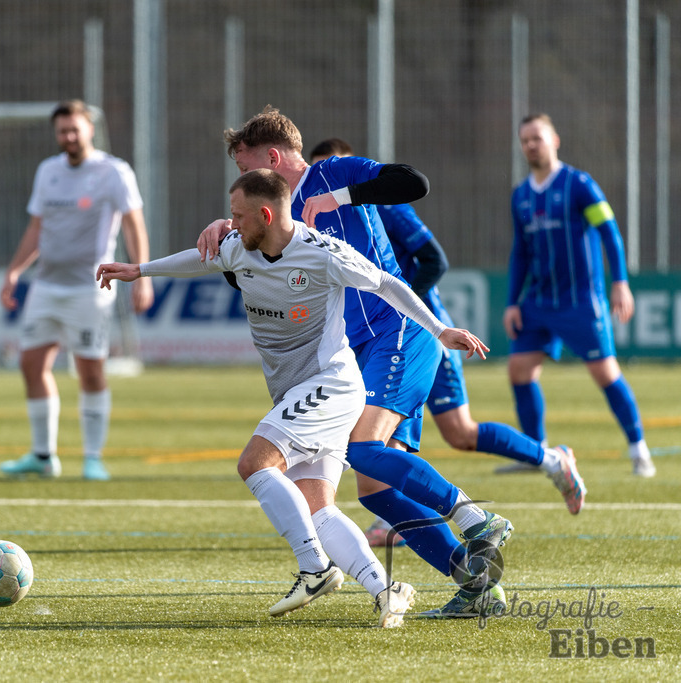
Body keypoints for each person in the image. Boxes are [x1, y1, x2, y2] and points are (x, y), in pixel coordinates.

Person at [99, 169, 492, 626]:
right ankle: (385, 591)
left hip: (332, 384)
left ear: (266, 215)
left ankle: (315, 568)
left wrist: (439, 330)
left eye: (238, 216)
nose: (230, 224)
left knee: (254, 463)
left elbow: (386, 283)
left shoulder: (322, 253)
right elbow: (200, 260)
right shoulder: (239, 247)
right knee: (317, 507)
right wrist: (139, 270)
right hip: (297, 391)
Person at [198, 107, 510, 618]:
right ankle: (476, 584)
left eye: (245, 166)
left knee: (364, 450)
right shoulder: (280, 219)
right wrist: (224, 229)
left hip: (399, 331)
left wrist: (340, 196)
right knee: (375, 490)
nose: (243, 179)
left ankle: (478, 519)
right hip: (361, 352)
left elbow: (414, 183)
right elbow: (249, 269)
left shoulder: (331, 173)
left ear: (272, 158)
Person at [308, 138, 587, 549]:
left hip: (420, 331)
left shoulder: (383, 204)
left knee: (449, 433)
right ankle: (412, 524)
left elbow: (434, 260)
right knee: (403, 434)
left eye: (333, 169)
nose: (324, 181)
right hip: (385, 339)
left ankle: (548, 463)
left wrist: (404, 307)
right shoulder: (316, 219)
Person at [0, 100, 154, 481]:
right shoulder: (48, 171)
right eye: (62, 131)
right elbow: (36, 228)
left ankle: (92, 458)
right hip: (46, 286)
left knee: (90, 371)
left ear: (89, 130)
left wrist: (142, 274)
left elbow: (133, 223)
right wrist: (15, 271)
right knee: (31, 364)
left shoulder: (114, 171)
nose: (68, 137)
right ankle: (42, 456)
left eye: (74, 129)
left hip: (90, 289)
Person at [507, 114, 655, 478]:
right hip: (538, 301)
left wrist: (620, 282)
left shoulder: (580, 185)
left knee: (605, 372)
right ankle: (537, 455)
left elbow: (609, 232)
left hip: (580, 301)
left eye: (537, 138)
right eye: (525, 140)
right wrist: (512, 302)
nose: (531, 145)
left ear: (555, 140)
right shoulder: (521, 196)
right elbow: (520, 252)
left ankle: (639, 451)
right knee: (519, 369)